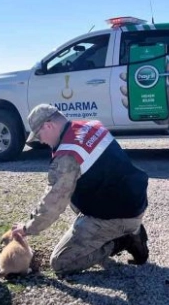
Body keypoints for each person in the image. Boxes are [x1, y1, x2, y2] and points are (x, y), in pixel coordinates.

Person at [12, 104, 149, 275]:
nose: (41, 141)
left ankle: (123, 239)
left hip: (119, 215)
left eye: (39, 135)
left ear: (49, 125)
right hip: (134, 200)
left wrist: (27, 228)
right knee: (75, 193)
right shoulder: (89, 126)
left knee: (61, 262)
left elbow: (54, 203)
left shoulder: (68, 155)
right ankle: (126, 228)